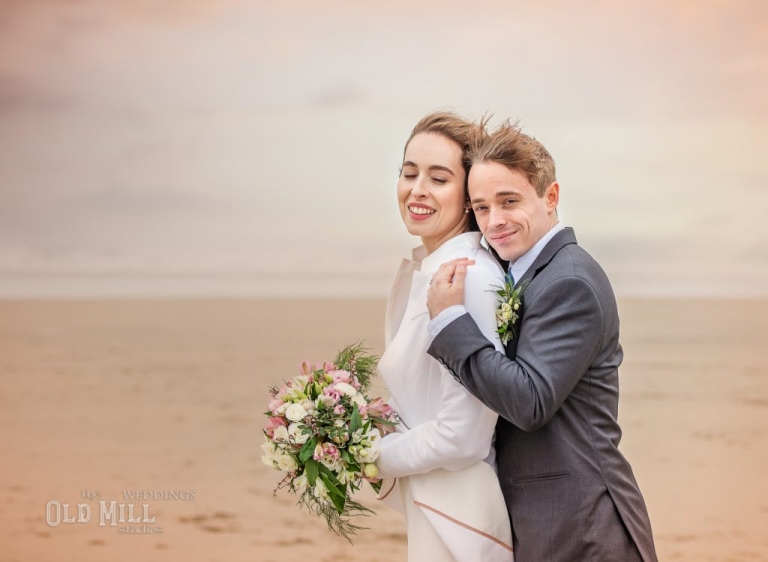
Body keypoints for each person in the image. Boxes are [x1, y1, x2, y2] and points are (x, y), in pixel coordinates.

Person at [426, 122, 658, 562]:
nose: (494, 221)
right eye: (480, 207)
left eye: (508, 201)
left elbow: (529, 401)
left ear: (550, 197)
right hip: (546, 525)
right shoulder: (525, 272)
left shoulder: (568, 281)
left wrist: (450, 321)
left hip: (584, 530)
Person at [375, 111, 514, 561]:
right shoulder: (426, 270)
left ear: (469, 196)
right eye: (409, 173)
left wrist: (373, 455)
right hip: (433, 503)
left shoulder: (468, 279)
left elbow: (463, 436)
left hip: (461, 521)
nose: (417, 189)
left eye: (439, 178)